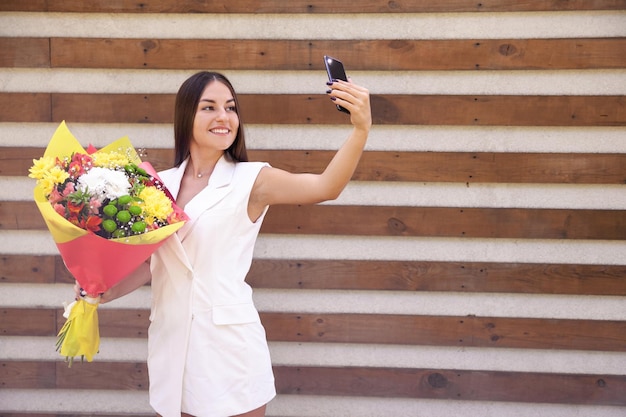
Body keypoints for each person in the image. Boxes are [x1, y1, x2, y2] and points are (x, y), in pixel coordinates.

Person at [78, 70, 371, 417]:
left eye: (230, 108)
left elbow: (325, 187)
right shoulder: (156, 185)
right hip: (173, 345)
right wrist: (103, 291)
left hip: (229, 351)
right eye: (209, 107)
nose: (224, 117)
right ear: (186, 116)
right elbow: (151, 263)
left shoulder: (253, 180)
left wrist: (360, 130)